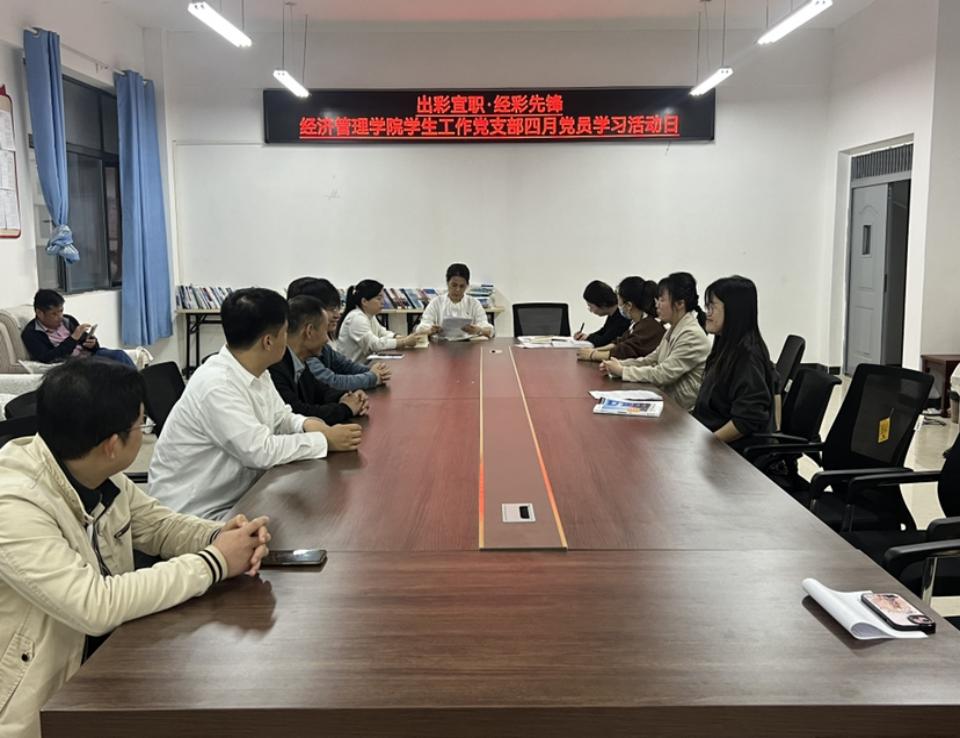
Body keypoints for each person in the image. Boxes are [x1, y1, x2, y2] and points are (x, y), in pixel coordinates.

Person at [0, 359, 272, 738]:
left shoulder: (96, 471)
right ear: (112, 445)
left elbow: (159, 526)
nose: (145, 433)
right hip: (44, 702)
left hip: (111, 659)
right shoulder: (13, 503)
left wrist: (221, 536)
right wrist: (214, 562)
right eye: (142, 426)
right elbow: (93, 605)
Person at [149, 288, 362, 520]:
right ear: (268, 341)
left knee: (315, 508)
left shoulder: (256, 369)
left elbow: (281, 417)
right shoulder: (216, 385)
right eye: (285, 332)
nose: (288, 339)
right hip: (198, 514)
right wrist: (324, 440)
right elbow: (259, 451)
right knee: (319, 518)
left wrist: (308, 425)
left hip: (242, 496)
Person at [600, 272, 711, 411]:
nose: (656, 305)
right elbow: (651, 360)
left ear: (680, 304)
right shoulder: (674, 329)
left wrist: (623, 371)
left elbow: (663, 374)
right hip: (666, 402)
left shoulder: (692, 335)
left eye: (662, 300)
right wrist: (619, 364)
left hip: (682, 413)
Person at [692, 275, 777, 450]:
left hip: (734, 453)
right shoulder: (726, 346)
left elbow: (746, 420)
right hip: (711, 439)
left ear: (734, 311)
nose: (707, 314)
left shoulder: (747, 356)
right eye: (707, 307)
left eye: (712, 307)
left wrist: (705, 444)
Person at [269, 295, 370, 424]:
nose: (327, 339)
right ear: (309, 331)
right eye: (325, 330)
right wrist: (346, 409)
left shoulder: (299, 359)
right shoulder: (276, 366)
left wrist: (347, 396)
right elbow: (298, 413)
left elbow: (322, 391)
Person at [287, 277, 391, 391]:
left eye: (337, 308)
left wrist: (374, 372)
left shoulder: (322, 347)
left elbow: (345, 366)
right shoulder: (303, 352)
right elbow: (332, 381)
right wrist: (372, 376)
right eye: (331, 309)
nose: (337, 315)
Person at [21, 289, 134, 366]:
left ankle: (140, 389)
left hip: (89, 355)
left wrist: (92, 343)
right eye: (54, 314)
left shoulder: (68, 320)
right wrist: (73, 338)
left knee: (119, 355)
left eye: (61, 311)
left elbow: (88, 342)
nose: (60, 317)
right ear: (40, 313)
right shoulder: (31, 333)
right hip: (73, 364)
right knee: (110, 368)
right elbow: (47, 358)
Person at [576, 276, 664, 362]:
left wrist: (592, 355)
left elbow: (624, 352)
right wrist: (595, 350)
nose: (618, 306)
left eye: (619, 302)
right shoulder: (636, 323)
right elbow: (619, 343)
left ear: (629, 305)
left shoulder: (648, 326)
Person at [337, 279, 422, 363]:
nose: (383, 302)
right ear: (364, 301)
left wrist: (400, 337)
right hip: (352, 370)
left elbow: (381, 332)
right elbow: (375, 345)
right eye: (379, 298)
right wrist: (404, 342)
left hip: (363, 365)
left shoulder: (369, 315)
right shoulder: (356, 318)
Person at [414, 263, 494, 339]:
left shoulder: (474, 304)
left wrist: (479, 330)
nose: (457, 289)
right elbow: (420, 329)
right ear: (447, 283)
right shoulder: (436, 303)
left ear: (467, 285)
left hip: (468, 344)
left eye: (462, 286)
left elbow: (489, 330)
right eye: (454, 285)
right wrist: (430, 330)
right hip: (441, 344)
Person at [573, 280, 630, 346]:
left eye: (591, 306)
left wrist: (588, 338)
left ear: (602, 304)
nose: (590, 310)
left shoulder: (623, 316)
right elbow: (603, 331)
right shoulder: (613, 313)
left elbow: (605, 341)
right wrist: (586, 336)